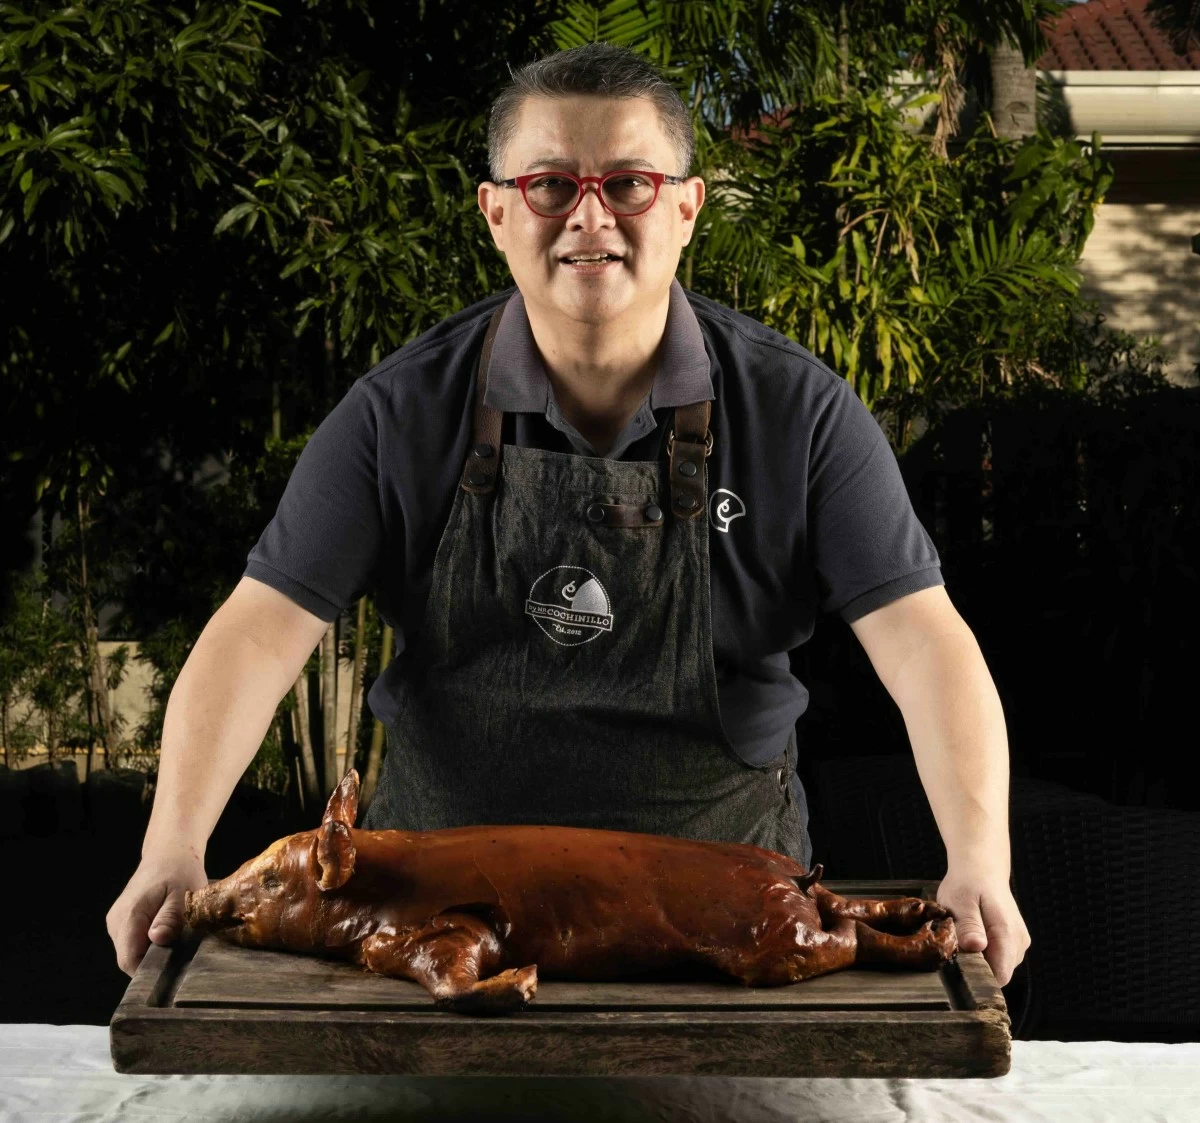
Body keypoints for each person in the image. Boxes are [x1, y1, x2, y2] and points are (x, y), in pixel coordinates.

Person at [108, 43, 1030, 987]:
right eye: (551, 184)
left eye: (628, 182)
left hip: (729, 932)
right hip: (433, 928)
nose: (590, 216)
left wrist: (980, 861)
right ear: (497, 211)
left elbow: (923, 640)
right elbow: (261, 628)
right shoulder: (397, 412)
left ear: (686, 207)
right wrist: (173, 843)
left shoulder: (801, 413)